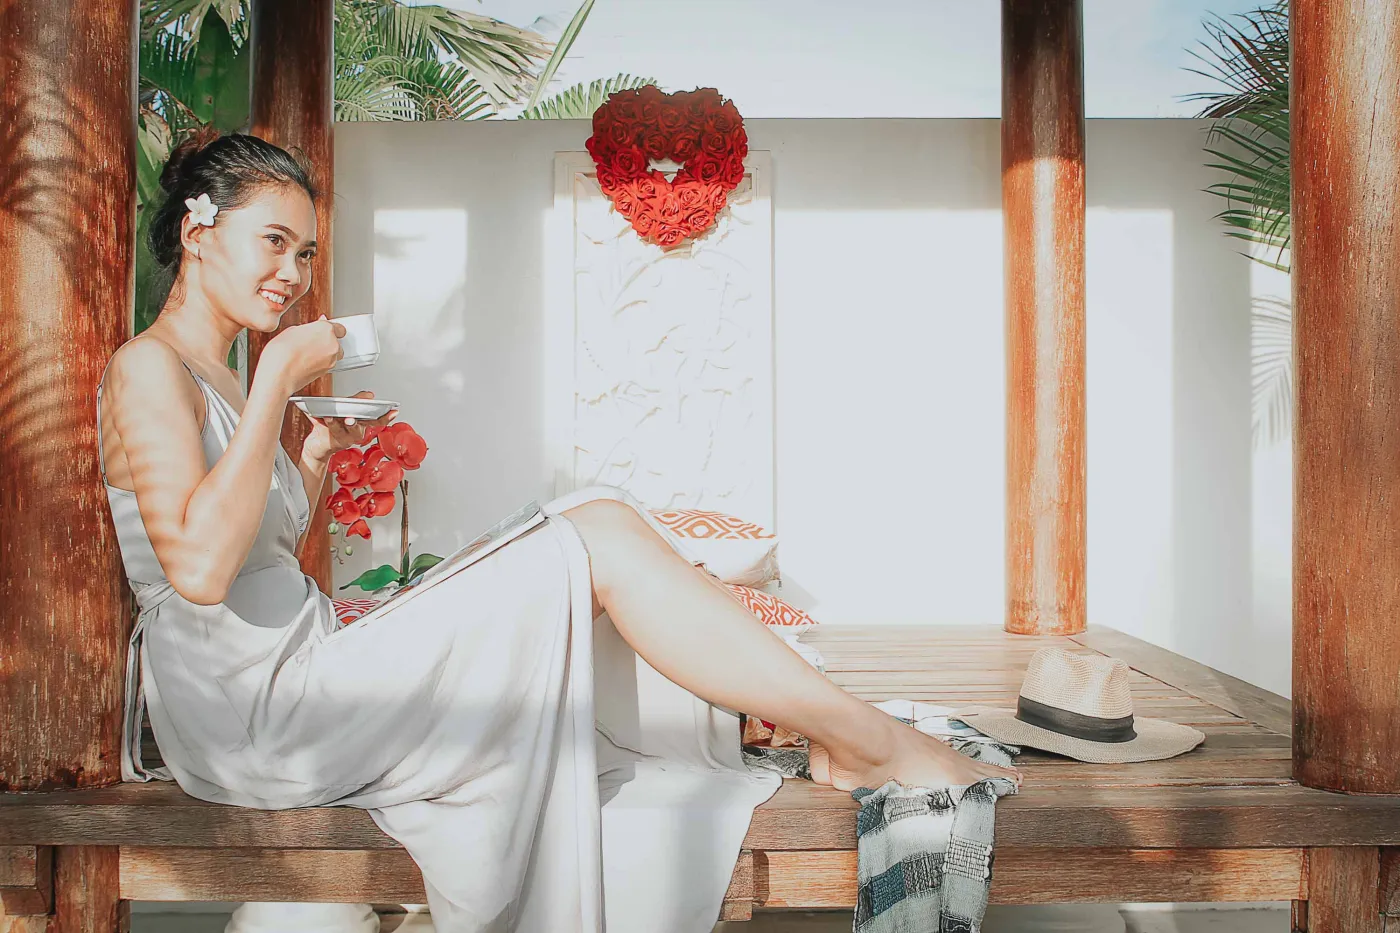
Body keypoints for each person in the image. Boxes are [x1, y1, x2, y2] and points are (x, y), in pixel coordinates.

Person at [97, 130, 1020, 933]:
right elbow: (200, 573)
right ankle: (861, 738)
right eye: (274, 242)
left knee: (595, 518)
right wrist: (275, 383)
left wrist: (309, 459)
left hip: (300, 668)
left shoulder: (217, 374)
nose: (294, 275)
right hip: (254, 714)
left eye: (303, 252)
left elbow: (253, 546)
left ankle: (840, 728)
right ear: (199, 230)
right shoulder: (150, 368)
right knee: (599, 533)